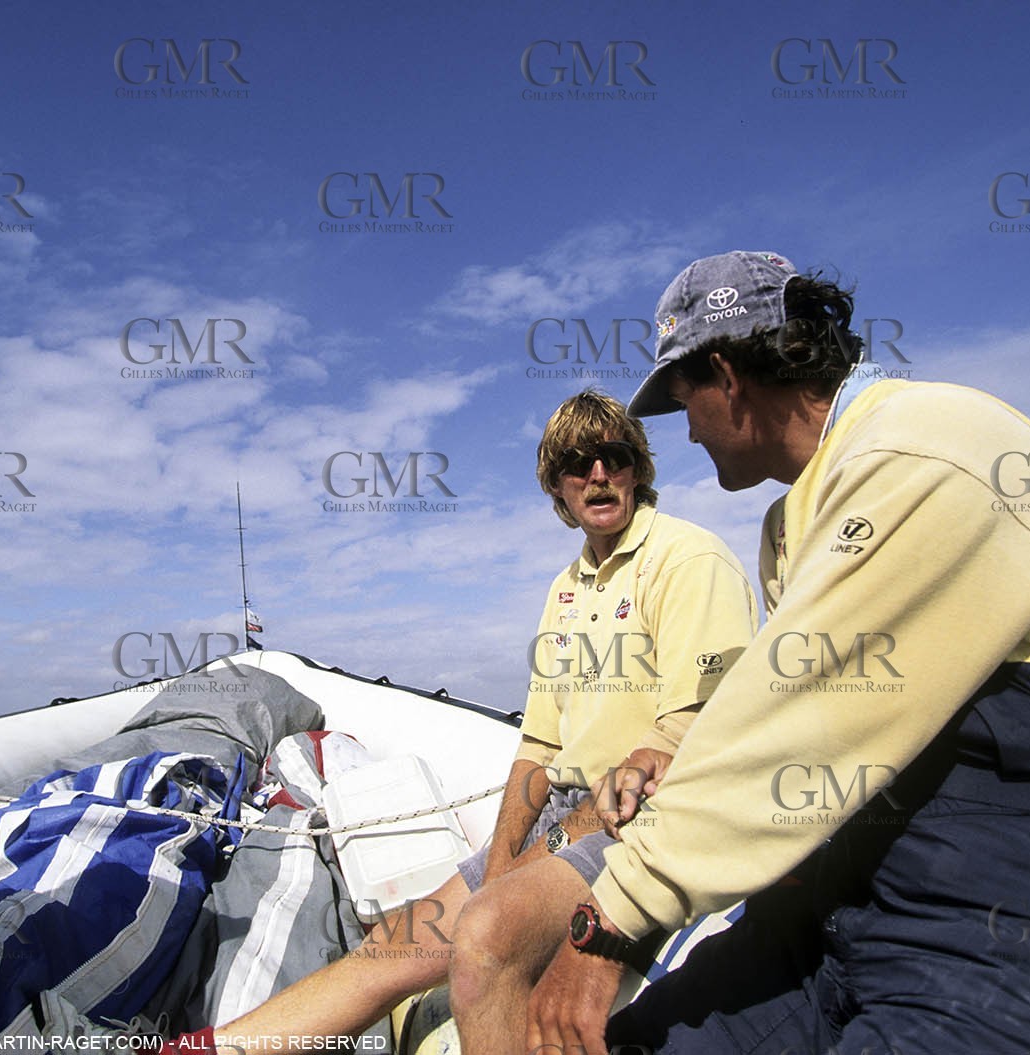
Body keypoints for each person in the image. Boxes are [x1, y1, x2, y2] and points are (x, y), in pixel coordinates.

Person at [523, 251, 1030, 1054]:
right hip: (862, 909)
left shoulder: (925, 447)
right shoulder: (794, 523)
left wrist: (611, 919)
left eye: (685, 403)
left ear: (728, 378)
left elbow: (799, 720)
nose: (687, 430)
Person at [137, 390, 756, 1054]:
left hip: (643, 816)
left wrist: (527, 868)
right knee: (390, 945)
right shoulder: (566, 588)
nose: (598, 474)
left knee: (483, 936)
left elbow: (687, 729)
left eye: (615, 456)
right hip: (568, 809)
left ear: (638, 468)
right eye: (578, 463)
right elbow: (538, 747)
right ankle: (200, 1048)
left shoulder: (687, 559)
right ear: (557, 484)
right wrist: (502, 861)